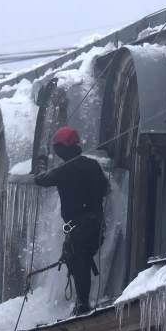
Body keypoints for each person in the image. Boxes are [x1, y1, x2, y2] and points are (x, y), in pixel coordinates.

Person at [32, 127, 107, 315]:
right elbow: (105, 189)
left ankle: (82, 304)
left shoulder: (64, 170)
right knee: (82, 259)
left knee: (78, 262)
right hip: (96, 224)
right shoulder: (93, 166)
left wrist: (41, 162)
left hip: (78, 226)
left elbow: (41, 179)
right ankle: (82, 302)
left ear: (61, 149)